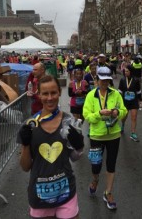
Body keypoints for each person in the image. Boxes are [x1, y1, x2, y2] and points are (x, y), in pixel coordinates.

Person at [17, 75, 84, 219]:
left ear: (59, 92)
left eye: (53, 92)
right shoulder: (30, 125)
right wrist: (25, 144)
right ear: (39, 95)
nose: (49, 98)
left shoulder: (69, 122)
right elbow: (25, 166)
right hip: (40, 196)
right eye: (45, 93)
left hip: (66, 193)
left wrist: (79, 147)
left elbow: (75, 157)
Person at [83, 67, 127, 210]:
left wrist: (116, 113)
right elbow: (87, 115)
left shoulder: (115, 94)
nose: (104, 82)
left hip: (114, 135)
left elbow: (124, 111)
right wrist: (100, 114)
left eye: (107, 80)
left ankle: (108, 192)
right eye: (101, 79)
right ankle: (95, 180)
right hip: (97, 136)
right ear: (97, 80)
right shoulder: (90, 95)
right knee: (96, 165)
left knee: (111, 164)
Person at [118, 65, 142, 142]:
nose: (125, 72)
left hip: (134, 101)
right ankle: (122, 126)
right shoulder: (122, 80)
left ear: (131, 71)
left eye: (127, 71)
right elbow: (120, 91)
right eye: (125, 71)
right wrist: (118, 100)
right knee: (124, 117)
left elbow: (139, 91)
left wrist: (140, 100)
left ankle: (133, 133)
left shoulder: (135, 80)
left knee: (134, 117)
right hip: (125, 102)